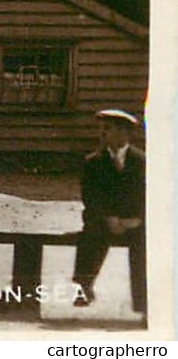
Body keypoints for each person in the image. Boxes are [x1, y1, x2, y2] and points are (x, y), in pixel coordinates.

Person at [72, 108, 145, 311]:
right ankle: (84, 286)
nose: (102, 133)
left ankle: (143, 299)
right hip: (102, 219)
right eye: (101, 129)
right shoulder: (92, 163)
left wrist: (137, 218)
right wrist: (110, 218)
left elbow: (147, 195)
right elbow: (91, 197)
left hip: (135, 220)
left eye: (108, 129)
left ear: (125, 133)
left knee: (145, 243)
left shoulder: (142, 162)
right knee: (92, 234)